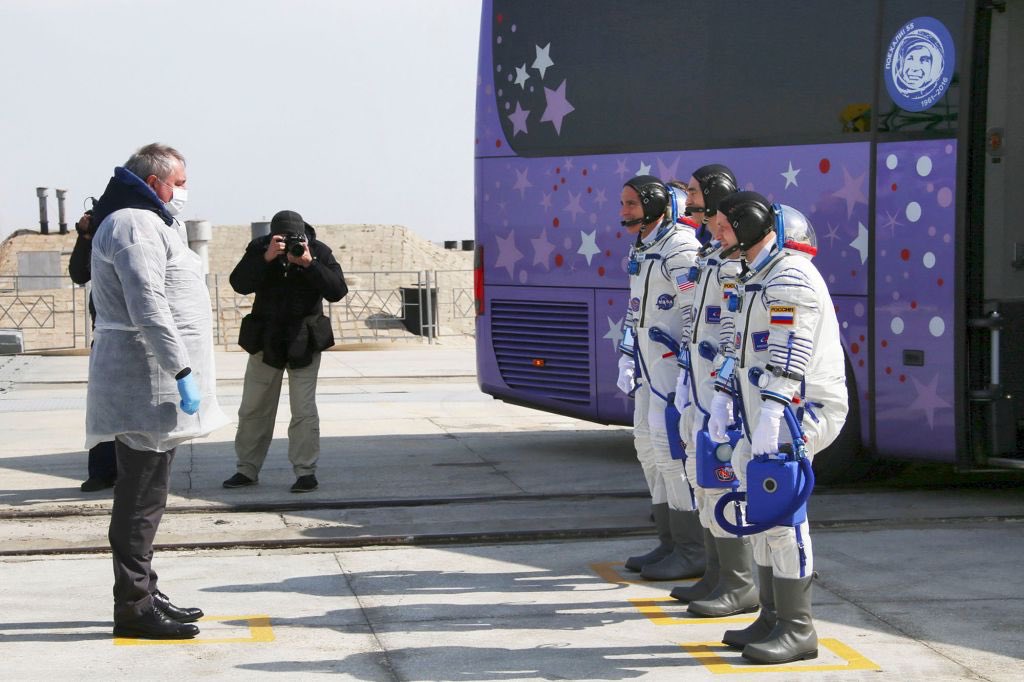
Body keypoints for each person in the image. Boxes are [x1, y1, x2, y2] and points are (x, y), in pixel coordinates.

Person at [86, 143, 227, 639]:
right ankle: (134, 606)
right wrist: (181, 371)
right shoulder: (132, 224)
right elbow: (148, 305)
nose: (184, 191)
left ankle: (145, 589)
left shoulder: (154, 222)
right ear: (155, 180)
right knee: (139, 498)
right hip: (144, 381)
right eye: (180, 181)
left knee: (150, 495)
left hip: (157, 384)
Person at [707, 191, 848, 664]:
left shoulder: (790, 275)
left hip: (796, 409)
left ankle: (798, 627)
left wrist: (772, 413)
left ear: (747, 225)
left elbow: (789, 353)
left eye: (724, 224)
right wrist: (723, 397)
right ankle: (770, 616)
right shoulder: (755, 274)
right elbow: (737, 345)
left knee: (784, 516)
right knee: (762, 515)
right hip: (760, 407)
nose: (715, 231)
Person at [668, 164, 759, 618]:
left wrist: (724, 386)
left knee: (725, 479)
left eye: (694, 192)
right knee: (700, 475)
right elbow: (694, 318)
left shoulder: (735, 262)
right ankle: (716, 572)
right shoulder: (709, 256)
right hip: (700, 386)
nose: (687, 199)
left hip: (722, 391)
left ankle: (739, 583)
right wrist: (687, 371)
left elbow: (733, 331)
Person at [615, 174, 704, 580]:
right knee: (647, 448)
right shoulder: (646, 247)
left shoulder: (680, 248)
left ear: (655, 205)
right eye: (624, 204)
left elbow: (693, 314)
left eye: (631, 204)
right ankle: (669, 542)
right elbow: (636, 308)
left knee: (671, 453)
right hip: (650, 368)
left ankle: (691, 548)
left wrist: (687, 370)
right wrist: (627, 354)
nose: (624, 212)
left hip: (671, 370)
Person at [222, 209, 347, 493]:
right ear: (271, 235)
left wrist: (309, 263)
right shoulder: (260, 249)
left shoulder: (317, 251)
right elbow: (239, 284)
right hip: (266, 340)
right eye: (281, 238)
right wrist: (265, 257)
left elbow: (337, 291)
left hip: (304, 341)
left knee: (303, 411)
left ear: (304, 234)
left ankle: (305, 472)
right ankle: (246, 469)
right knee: (253, 409)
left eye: (293, 237)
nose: (287, 243)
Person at [68, 210, 117, 492]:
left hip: (138, 334)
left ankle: (133, 471)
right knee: (102, 408)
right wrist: (85, 237)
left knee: (135, 412)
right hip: (106, 333)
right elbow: (78, 273)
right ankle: (102, 471)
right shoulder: (97, 241)